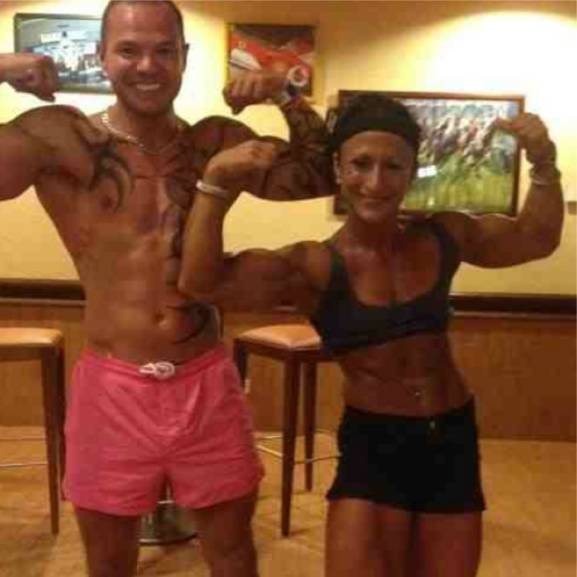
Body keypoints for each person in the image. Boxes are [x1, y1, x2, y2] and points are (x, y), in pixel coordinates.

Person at [0, 1, 334, 576]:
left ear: (184, 56)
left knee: (233, 556)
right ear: (102, 56)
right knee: (109, 564)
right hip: (114, 384)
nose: (146, 65)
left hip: (204, 379)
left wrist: (286, 93)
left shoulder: (215, 141)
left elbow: (321, 174)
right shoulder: (58, 138)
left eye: (163, 50)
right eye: (128, 50)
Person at [179, 92, 564, 577]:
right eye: (361, 164)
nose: (376, 183)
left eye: (393, 167)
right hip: (374, 444)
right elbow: (201, 282)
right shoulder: (314, 265)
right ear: (338, 169)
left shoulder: (443, 236)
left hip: (451, 438)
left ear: (412, 171)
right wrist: (215, 186)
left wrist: (544, 163)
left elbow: (535, 238)